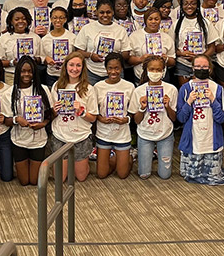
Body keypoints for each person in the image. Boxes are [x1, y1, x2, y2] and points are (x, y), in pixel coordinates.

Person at [177, 55, 224, 185]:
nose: (201, 69)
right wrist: (189, 102)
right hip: (193, 137)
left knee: (213, 174)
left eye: (205, 67)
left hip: (211, 137)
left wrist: (213, 100)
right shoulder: (185, 89)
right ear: (193, 68)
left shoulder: (217, 88)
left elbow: (221, 118)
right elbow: (181, 118)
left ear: (210, 69)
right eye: (198, 67)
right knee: (191, 175)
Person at [49, 52, 98, 182]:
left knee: (81, 177)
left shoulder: (88, 89)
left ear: (83, 68)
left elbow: (93, 118)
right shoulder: (57, 86)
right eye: (71, 65)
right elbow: (51, 115)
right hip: (61, 135)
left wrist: (81, 112)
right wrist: (54, 110)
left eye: (78, 65)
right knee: (60, 178)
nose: (74, 69)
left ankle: (80, 161)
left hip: (80, 136)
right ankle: (63, 162)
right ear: (65, 66)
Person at [131, 55, 178, 180]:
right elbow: (136, 120)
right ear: (146, 70)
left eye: (158, 70)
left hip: (165, 134)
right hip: (145, 133)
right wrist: (142, 107)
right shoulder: (139, 91)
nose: (155, 73)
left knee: (165, 175)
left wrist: (168, 106)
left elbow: (174, 118)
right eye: (152, 69)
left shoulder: (171, 89)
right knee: (144, 174)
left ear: (164, 71)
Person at [9, 56, 51, 185]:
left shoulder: (43, 89)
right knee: (24, 181)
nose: (26, 74)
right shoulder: (10, 92)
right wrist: (17, 119)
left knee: (34, 181)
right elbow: (6, 120)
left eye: (30, 71)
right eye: (23, 71)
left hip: (38, 139)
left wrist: (43, 124)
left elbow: (50, 114)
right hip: (19, 139)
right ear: (17, 72)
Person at [93, 53, 135, 179]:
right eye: (110, 68)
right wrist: (101, 119)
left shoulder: (129, 86)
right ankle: (114, 158)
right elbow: (95, 111)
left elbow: (132, 112)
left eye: (117, 68)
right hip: (103, 132)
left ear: (121, 69)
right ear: (105, 69)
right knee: (101, 174)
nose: (113, 71)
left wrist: (125, 119)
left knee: (122, 175)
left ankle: (130, 157)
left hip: (122, 133)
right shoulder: (98, 86)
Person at [74, 0, 131, 85]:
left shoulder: (120, 30)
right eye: (101, 12)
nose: (105, 15)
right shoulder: (87, 28)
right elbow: (78, 51)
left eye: (108, 12)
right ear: (96, 12)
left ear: (112, 12)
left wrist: (114, 58)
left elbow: (126, 52)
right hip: (92, 73)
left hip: (114, 73)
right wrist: (90, 55)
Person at [172, 0, 219, 86]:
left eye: (193, 3)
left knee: (200, 92)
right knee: (186, 91)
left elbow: (212, 48)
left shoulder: (206, 23)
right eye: (186, 4)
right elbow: (171, 48)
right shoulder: (176, 24)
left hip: (201, 65)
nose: (189, 6)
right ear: (181, 5)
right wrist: (181, 53)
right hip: (182, 64)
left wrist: (199, 58)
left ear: (197, 5)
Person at [0, 7, 43, 84]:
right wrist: (12, 62)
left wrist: (34, 60)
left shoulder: (35, 37)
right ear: (11, 21)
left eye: (24, 19)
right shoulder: (4, 38)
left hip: (31, 75)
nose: (21, 21)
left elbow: (42, 58)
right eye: (17, 19)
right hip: (11, 76)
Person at [127, 7, 175, 81]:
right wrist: (140, 59)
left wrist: (166, 59)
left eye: (156, 19)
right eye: (150, 19)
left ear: (160, 20)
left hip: (162, 78)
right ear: (145, 20)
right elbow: (129, 59)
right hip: (140, 77)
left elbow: (173, 61)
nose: (153, 22)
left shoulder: (167, 37)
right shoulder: (134, 36)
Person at [39, 6, 76, 88]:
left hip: (69, 74)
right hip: (51, 75)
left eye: (61, 18)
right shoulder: (45, 39)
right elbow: (41, 57)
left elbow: (76, 56)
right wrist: (46, 60)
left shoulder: (72, 37)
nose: (58, 20)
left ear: (65, 19)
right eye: (55, 18)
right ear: (51, 19)